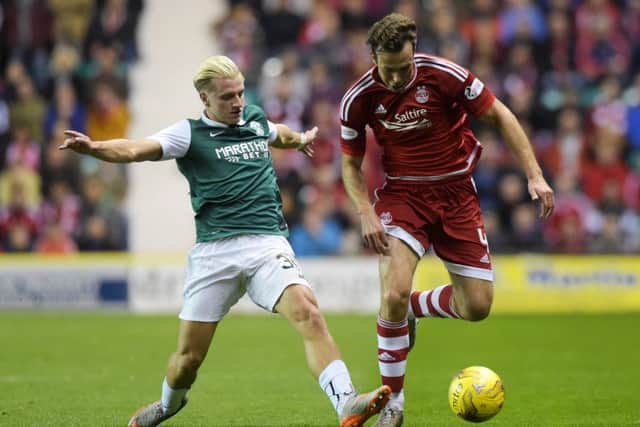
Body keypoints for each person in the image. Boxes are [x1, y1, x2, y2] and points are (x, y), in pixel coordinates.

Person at [60, 55, 390, 427]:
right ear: (204, 99)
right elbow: (137, 149)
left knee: (309, 313)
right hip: (215, 253)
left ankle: (346, 403)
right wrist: (95, 148)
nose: (237, 103)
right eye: (227, 97)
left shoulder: (252, 117)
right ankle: (168, 405)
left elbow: (275, 131)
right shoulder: (188, 134)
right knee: (188, 360)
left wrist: (299, 141)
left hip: (267, 244)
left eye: (240, 93)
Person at [339, 14, 555, 427]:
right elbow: (350, 164)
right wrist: (365, 211)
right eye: (390, 69)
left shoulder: (446, 75)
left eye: (406, 67)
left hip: (457, 195)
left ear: (414, 50)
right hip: (403, 196)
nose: (400, 77)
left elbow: (502, 116)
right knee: (394, 291)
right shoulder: (359, 97)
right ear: (373, 57)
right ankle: (394, 403)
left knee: (476, 307)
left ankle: (414, 309)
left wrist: (535, 174)